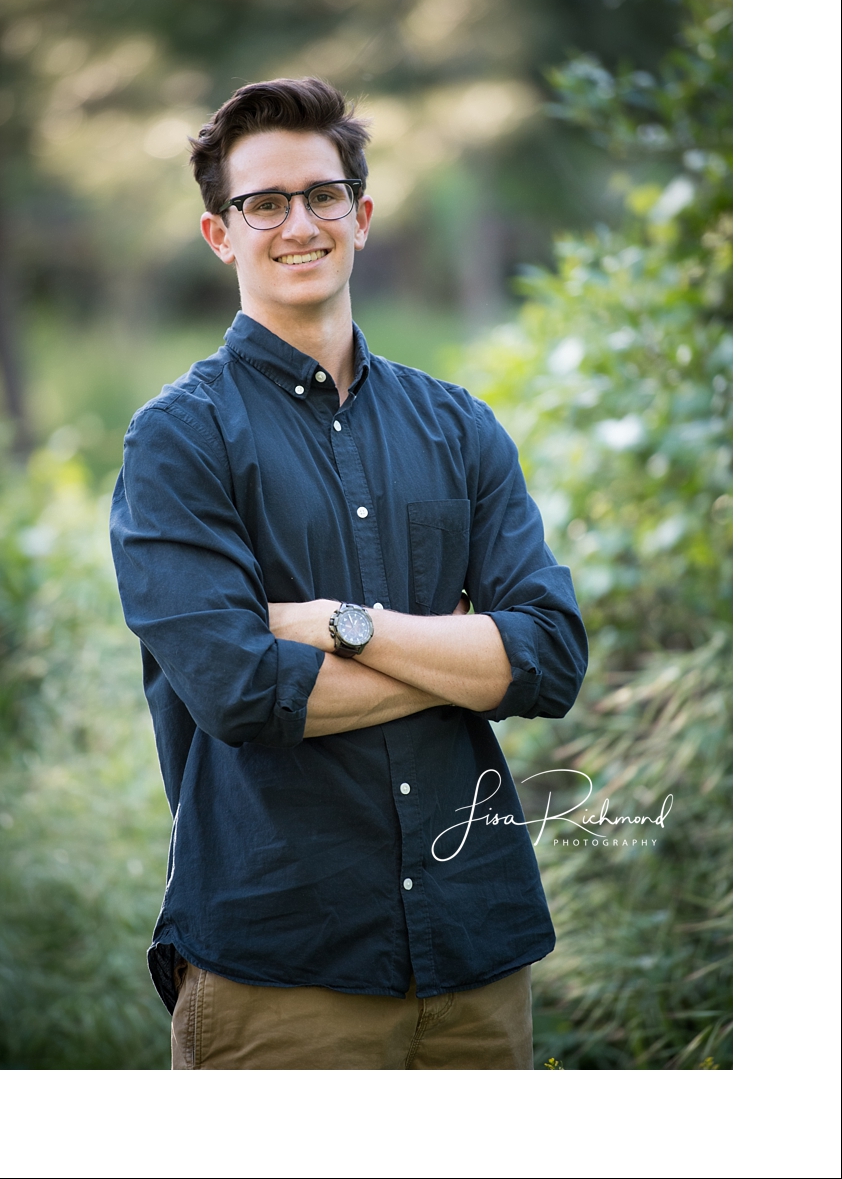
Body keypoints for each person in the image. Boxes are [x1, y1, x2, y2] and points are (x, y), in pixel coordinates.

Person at [108, 78, 587, 1070]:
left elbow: (547, 656)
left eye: (322, 196)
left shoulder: (458, 425)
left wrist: (337, 623)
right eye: (264, 203)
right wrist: (458, 650)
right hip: (283, 969)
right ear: (219, 234)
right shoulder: (178, 438)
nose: (300, 224)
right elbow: (239, 691)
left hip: (478, 958)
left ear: (361, 217)